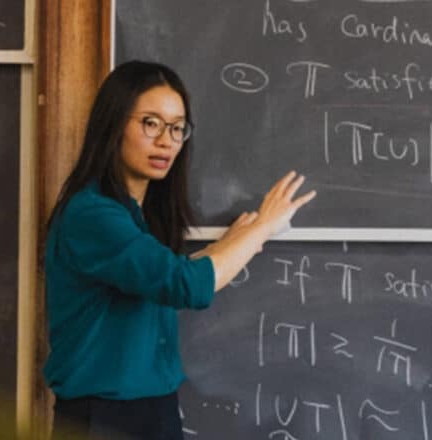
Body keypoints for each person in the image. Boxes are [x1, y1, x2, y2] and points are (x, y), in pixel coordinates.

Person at [44, 60, 316, 439]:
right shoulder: (93, 215)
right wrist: (263, 229)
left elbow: (163, 277)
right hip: (103, 418)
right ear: (114, 124)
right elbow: (184, 285)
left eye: (176, 128)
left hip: (153, 409)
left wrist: (233, 244)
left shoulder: (133, 215)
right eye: (150, 123)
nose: (166, 141)